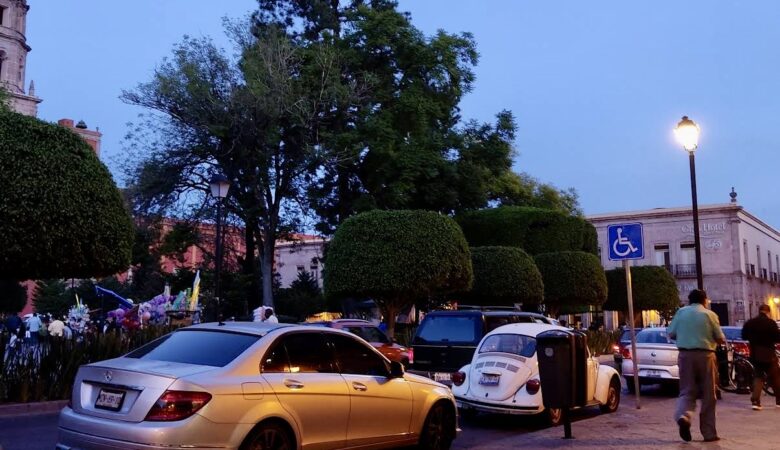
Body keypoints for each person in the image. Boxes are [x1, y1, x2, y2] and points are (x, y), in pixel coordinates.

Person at [667, 289, 725, 443]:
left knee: (686, 391)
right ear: (704, 300)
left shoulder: (681, 313)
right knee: (709, 394)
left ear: (689, 300)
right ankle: (709, 433)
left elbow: (671, 333)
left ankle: (684, 416)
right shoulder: (710, 314)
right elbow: (720, 338)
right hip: (706, 355)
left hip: (685, 355)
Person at [741, 304, 780, 410]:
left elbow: (744, 336)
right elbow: (777, 337)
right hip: (769, 353)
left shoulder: (750, 322)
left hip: (755, 353)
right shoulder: (771, 323)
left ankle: (755, 401)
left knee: (758, 376)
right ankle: (779, 400)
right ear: (768, 312)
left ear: (759, 311)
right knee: (775, 377)